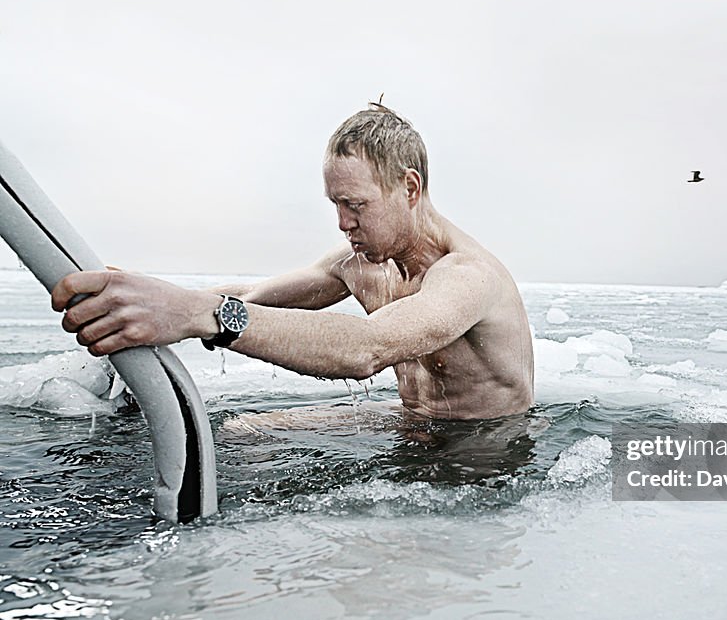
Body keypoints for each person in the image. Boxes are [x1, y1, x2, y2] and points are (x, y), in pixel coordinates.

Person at [51, 103, 535, 421]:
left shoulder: (468, 278)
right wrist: (153, 299)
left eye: (356, 205)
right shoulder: (360, 264)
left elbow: (367, 348)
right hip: (408, 423)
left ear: (409, 189)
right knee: (242, 432)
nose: (343, 224)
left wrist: (201, 316)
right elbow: (249, 300)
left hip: (487, 452)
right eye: (335, 205)